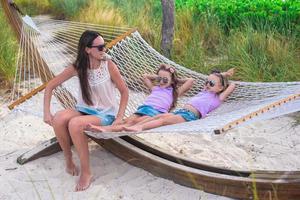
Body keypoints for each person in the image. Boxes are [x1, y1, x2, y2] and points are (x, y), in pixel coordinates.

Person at [43, 30, 129, 191]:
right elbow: (50, 86)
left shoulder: (109, 65)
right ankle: (68, 157)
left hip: (105, 114)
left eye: (105, 46)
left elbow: (125, 92)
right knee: (59, 118)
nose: (104, 50)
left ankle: (86, 172)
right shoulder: (78, 67)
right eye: (100, 47)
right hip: (84, 110)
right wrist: (47, 112)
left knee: (75, 124)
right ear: (87, 49)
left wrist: (119, 117)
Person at [86, 63, 194, 133]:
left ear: (172, 81)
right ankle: (108, 129)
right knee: (126, 121)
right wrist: (161, 77)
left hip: (156, 113)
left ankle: (105, 130)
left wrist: (174, 78)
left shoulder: (174, 93)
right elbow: (145, 77)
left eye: (164, 80)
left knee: (133, 124)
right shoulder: (154, 88)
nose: (161, 82)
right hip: (143, 108)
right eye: (159, 79)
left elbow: (190, 81)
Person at [124, 68, 235, 132]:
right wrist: (221, 75)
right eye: (207, 82)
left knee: (163, 121)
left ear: (220, 88)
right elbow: (212, 80)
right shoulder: (205, 91)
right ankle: (133, 126)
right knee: (159, 116)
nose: (207, 84)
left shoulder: (218, 98)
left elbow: (232, 85)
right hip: (181, 112)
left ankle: (140, 127)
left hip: (190, 116)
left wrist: (225, 76)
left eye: (211, 83)